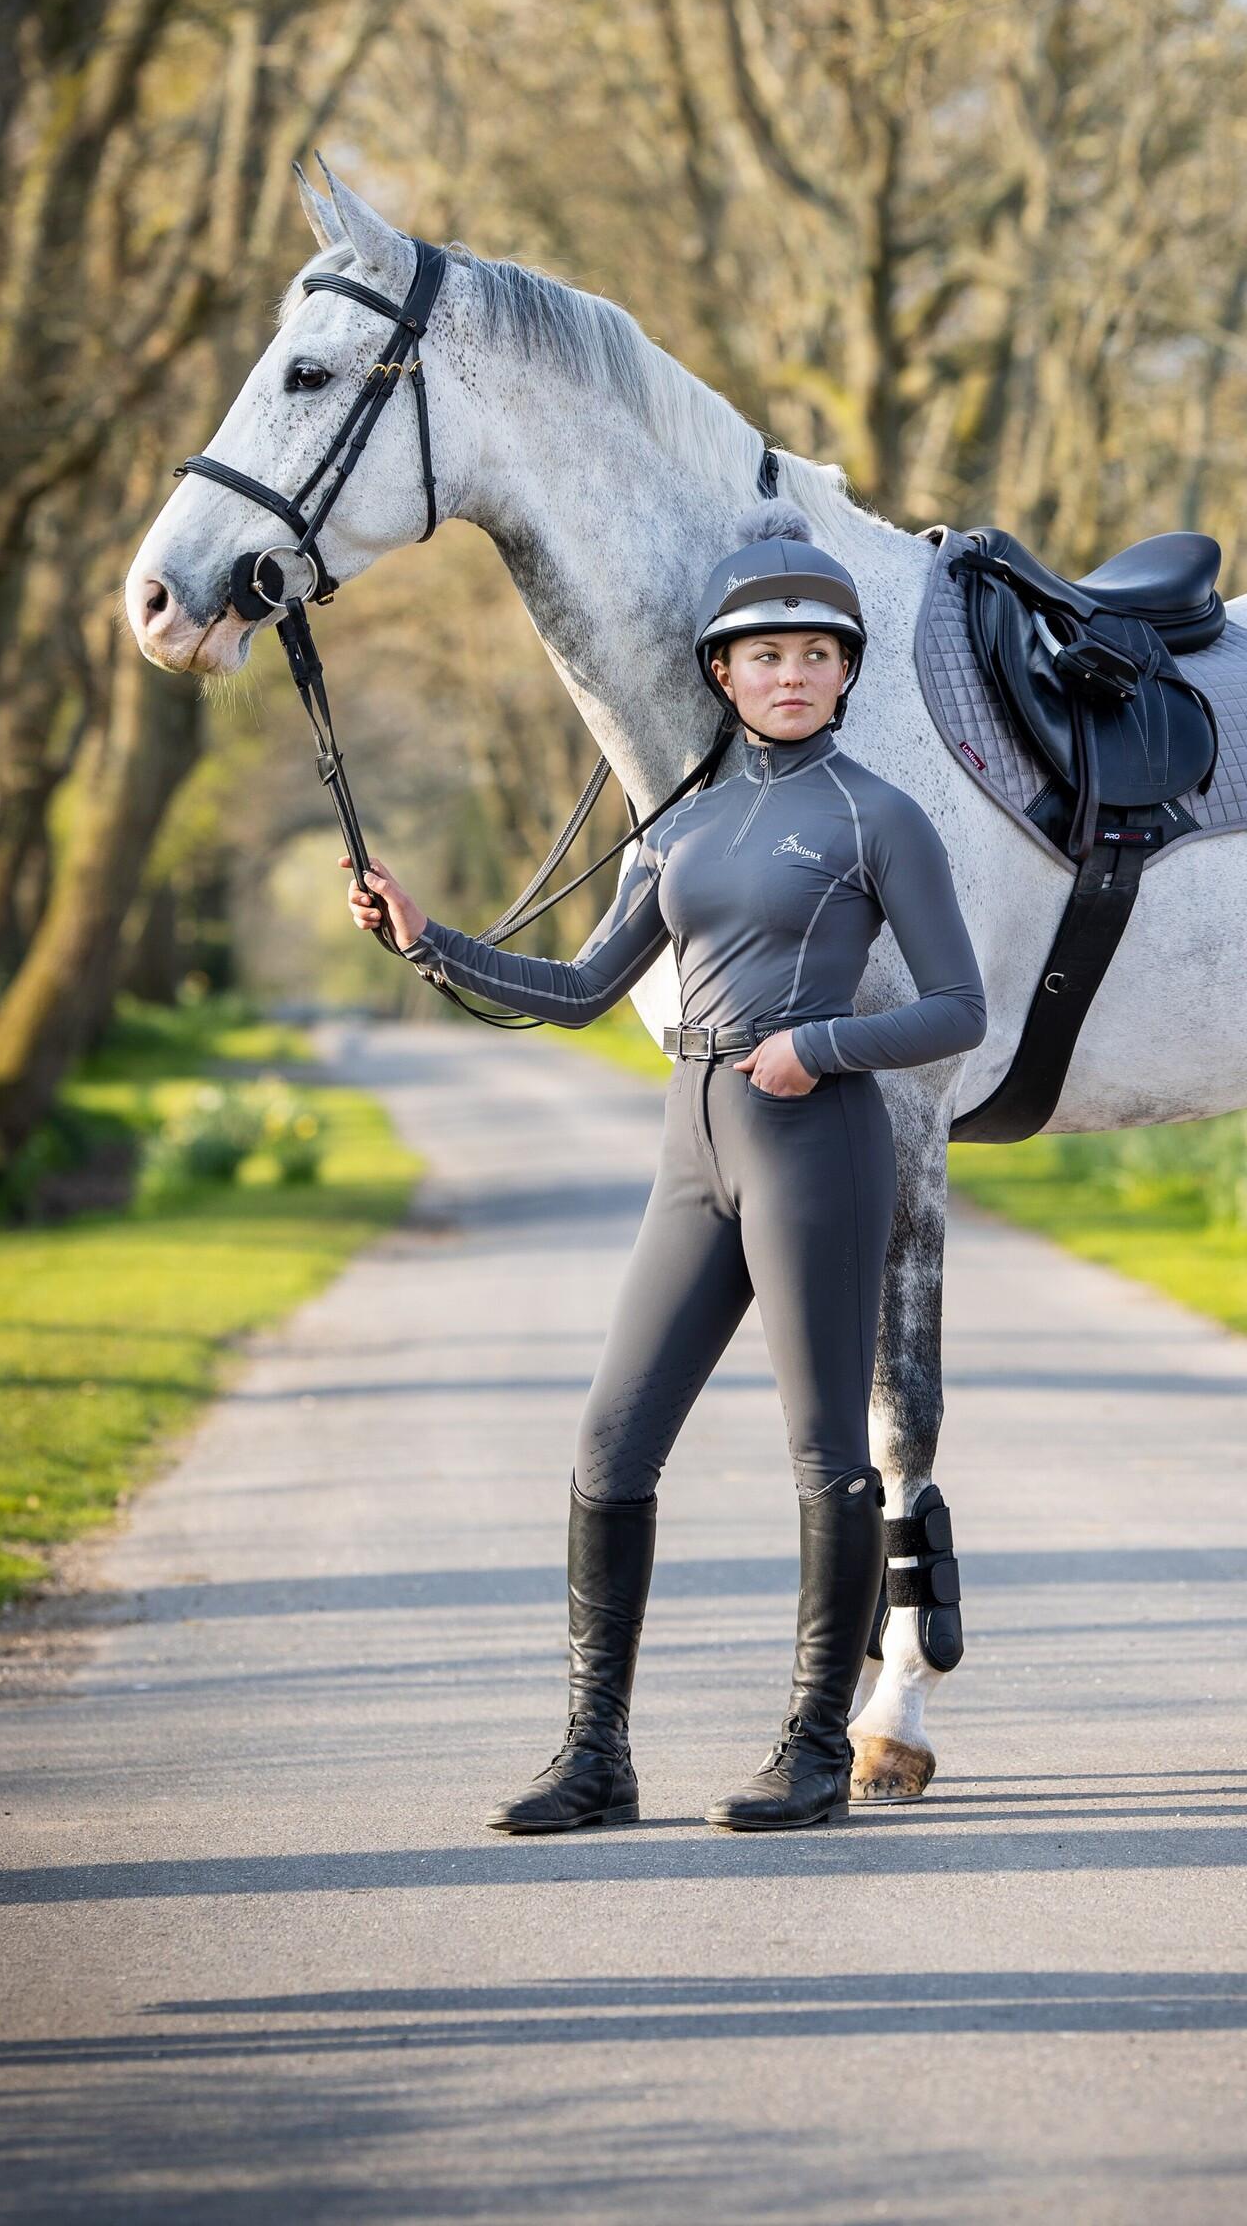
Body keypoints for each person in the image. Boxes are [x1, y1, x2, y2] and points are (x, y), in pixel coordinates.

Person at [345, 516, 986, 1834]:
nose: (792, 674)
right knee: (610, 1443)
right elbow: (583, 990)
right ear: (722, 674)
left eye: (817, 654)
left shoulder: (880, 817)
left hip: (817, 1141)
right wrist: (429, 942)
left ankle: (816, 1747)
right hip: (693, 1140)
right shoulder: (678, 827)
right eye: (766, 656)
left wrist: (824, 1043)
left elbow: (959, 1010)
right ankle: (596, 1756)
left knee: (825, 1455)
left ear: (846, 673)